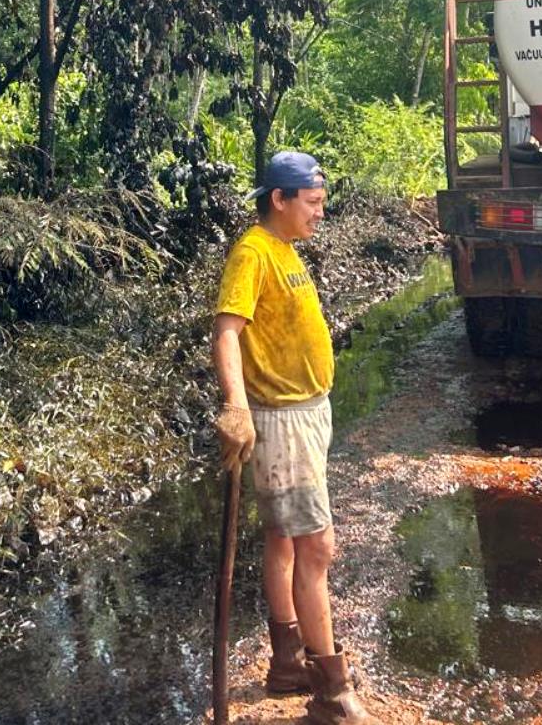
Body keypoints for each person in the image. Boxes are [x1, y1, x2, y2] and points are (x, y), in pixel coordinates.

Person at [211, 151, 370, 725]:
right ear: (279, 199)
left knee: (283, 539)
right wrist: (236, 407)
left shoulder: (284, 251)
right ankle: (332, 692)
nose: (319, 214)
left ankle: (285, 662)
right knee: (316, 546)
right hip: (281, 420)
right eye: (313, 203)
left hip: (305, 412)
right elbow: (228, 331)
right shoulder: (253, 252)